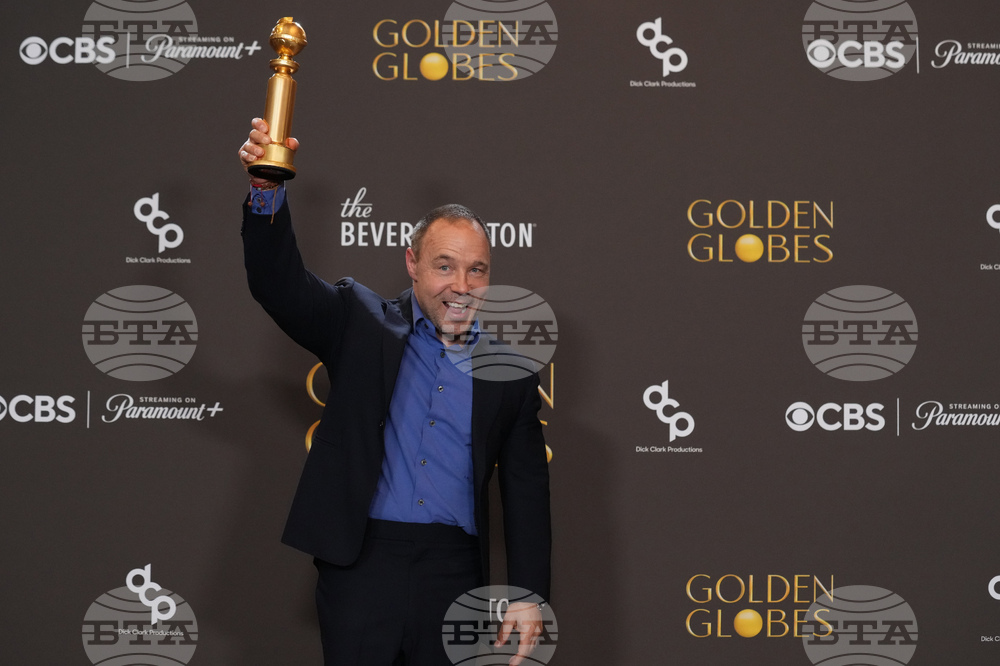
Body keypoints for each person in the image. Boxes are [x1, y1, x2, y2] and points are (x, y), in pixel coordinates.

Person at [238, 118, 551, 666]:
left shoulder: (513, 371)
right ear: (412, 264)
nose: (461, 285)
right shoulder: (359, 323)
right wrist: (266, 187)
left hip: (456, 572)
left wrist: (528, 594)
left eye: (476, 270)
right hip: (363, 564)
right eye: (444, 266)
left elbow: (525, 491)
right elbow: (277, 283)